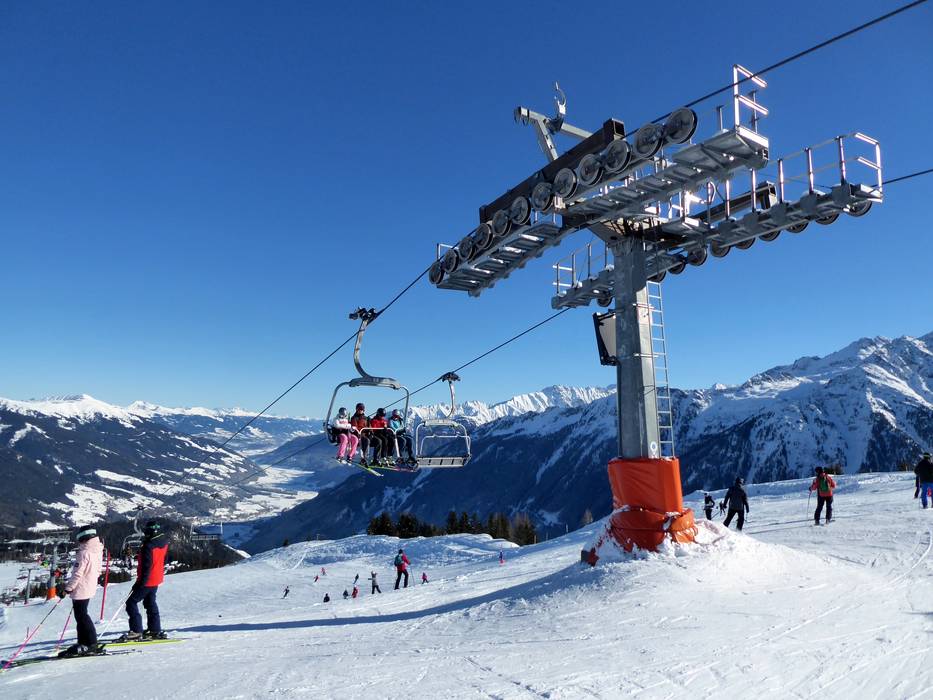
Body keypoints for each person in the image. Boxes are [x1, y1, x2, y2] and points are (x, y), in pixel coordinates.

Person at [58, 526, 104, 657]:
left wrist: (67, 589)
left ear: (84, 537)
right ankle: (83, 642)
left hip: (81, 588)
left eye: (80, 538)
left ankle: (90, 643)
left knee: (82, 616)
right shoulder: (97, 549)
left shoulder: (84, 553)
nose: (79, 541)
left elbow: (77, 574)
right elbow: (98, 570)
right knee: (81, 615)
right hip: (89, 586)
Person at [123, 520, 169, 641]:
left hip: (147, 580)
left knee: (131, 602)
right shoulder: (164, 542)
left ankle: (136, 630)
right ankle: (155, 629)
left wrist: (140, 583)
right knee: (150, 602)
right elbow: (161, 560)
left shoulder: (148, 546)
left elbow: (146, 566)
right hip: (157, 578)